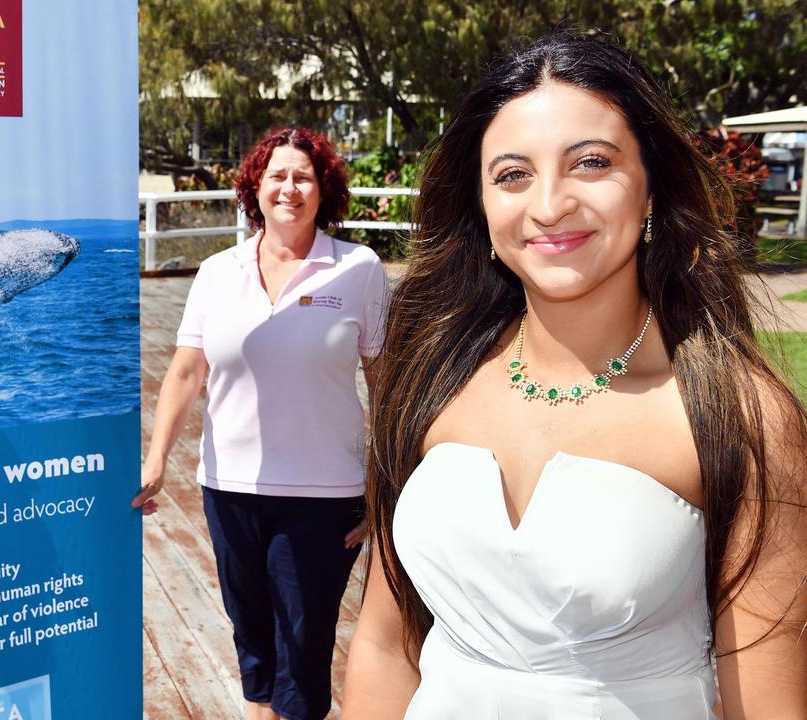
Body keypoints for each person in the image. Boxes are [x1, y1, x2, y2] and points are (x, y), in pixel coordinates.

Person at [341, 32, 807, 719]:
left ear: (651, 185)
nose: (550, 204)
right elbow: (384, 645)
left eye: (591, 162)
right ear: (481, 204)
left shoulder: (741, 417)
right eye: (512, 174)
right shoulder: (433, 372)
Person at [133, 127, 389, 720]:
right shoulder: (218, 272)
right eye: (277, 175)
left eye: (303, 176)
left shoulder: (359, 269)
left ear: (324, 189)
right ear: (255, 186)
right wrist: (155, 461)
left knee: (301, 650)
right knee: (251, 639)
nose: (290, 188)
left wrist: (385, 485)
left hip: (324, 496)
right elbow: (185, 373)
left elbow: (386, 384)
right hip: (230, 490)